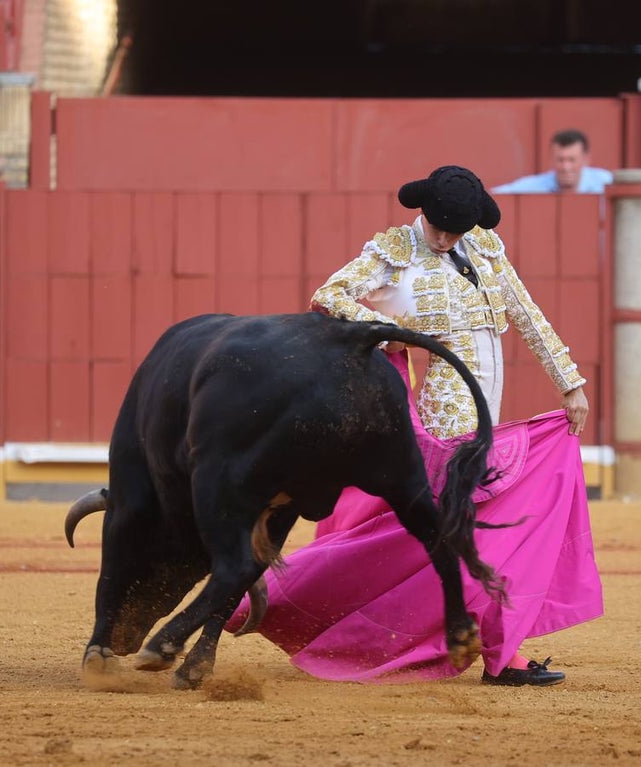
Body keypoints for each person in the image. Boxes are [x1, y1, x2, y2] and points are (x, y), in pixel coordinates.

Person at [226, 165, 604, 687]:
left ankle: (488, 642)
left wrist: (569, 381)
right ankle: (502, 652)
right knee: (469, 530)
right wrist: (391, 333)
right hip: (447, 412)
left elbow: (526, 312)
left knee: (458, 532)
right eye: (439, 228)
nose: (447, 239)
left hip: (485, 409)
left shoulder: (485, 247)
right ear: (421, 211)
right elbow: (329, 295)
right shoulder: (393, 252)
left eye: (457, 230)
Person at [492, 129, 613, 194]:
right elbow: (499, 193)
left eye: (572, 160)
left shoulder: (605, 182)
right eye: (560, 160)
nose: (566, 167)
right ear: (552, 159)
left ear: (586, 159)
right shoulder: (537, 185)